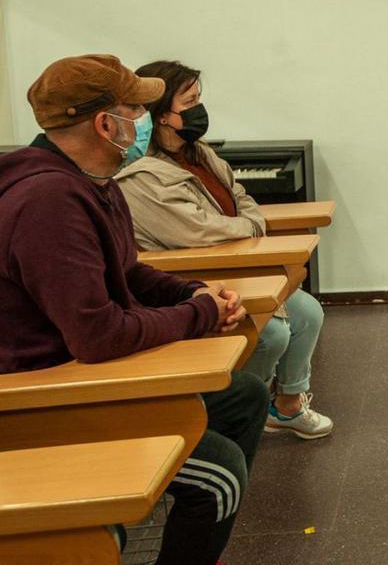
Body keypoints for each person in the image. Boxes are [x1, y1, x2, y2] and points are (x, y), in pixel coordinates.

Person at [0, 54, 267, 565]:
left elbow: (126, 273)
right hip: (42, 395)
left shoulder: (92, 181)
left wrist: (192, 293)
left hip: (79, 374)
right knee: (219, 475)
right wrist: (202, 315)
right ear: (106, 123)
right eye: (137, 110)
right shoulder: (47, 201)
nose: (144, 122)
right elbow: (97, 336)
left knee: (244, 395)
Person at [114, 60, 332, 440]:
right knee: (273, 334)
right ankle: (228, 412)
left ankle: (287, 407)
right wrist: (249, 226)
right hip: (192, 275)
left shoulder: (197, 152)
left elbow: (241, 198)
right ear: (162, 115)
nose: (200, 109)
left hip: (236, 262)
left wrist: (247, 223)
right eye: (190, 101)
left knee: (308, 312)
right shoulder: (140, 175)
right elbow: (198, 232)